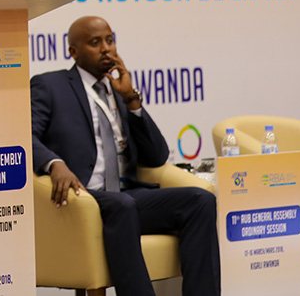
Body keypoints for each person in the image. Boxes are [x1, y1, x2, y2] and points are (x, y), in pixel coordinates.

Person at [30, 16, 220, 296]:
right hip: (83, 195)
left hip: (126, 196)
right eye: (95, 43)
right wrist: (54, 163)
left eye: (110, 40)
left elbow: (156, 156)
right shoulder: (50, 86)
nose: (107, 49)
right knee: (122, 205)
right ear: (74, 51)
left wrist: (131, 99)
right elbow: (23, 137)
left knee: (200, 201)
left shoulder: (118, 91)